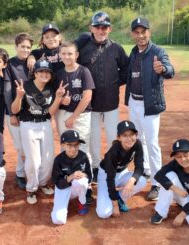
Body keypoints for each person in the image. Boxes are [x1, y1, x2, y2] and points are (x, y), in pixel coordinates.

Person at [125, 17, 175, 201]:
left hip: (150, 105)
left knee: (152, 143)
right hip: (134, 102)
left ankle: (156, 183)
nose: (140, 35)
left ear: (149, 32)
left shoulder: (157, 51)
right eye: (136, 32)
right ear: (133, 34)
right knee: (139, 140)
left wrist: (162, 69)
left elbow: (170, 70)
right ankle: (145, 170)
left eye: (143, 31)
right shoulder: (133, 52)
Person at [77, 11, 128, 185]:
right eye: (98, 27)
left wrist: (114, 83)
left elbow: (126, 70)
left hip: (112, 102)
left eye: (105, 27)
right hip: (91, 104)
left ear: (110, 29)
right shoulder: (83, 49)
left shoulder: (116, 48)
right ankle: (97, 166)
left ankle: (114, 164)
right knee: (93, 138)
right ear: (91, 28)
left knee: (114, 135)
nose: (101, 30)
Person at [11, 60, 67, 204]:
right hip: (28, 125)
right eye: (41, 71)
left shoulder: (50, 89)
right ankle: (31, 188)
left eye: (47, 72)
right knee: (34, 160)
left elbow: (50, 112)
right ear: (35, 73)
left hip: (45, 124)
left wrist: (59, 98)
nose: (44, 74)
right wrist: (19, 96)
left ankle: (42, 183)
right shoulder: (25, 87)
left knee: (48, 159)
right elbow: (14, 110)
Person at [150, 139, 189, 228]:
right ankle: (161, 212)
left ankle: (184, 206)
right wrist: (175, 189)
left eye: (186, 155)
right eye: (178, 157)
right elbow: (158, 175)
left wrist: (182, 215)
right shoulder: (175, 164)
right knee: (169, 175)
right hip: (181, 194)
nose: (183, 159)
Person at [96, 120, 147, 219]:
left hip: (122, 172)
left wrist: (131, 181)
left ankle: (119, 198)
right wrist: (114, 206)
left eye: (131, 134)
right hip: (106, 175)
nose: (129, 138)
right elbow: (110, 179)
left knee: (141, 180)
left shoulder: (137, 144)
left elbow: (140, 167)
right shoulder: (113, 153)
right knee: (104, 213)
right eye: (125, 135)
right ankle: (113, 199)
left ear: (136, 135)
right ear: (119, 137)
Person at [3, 33, 34, 190]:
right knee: (20, 146)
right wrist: (11, 114)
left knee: (30, 144)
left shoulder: (33, 62)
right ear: (16, 47)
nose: (25, 50)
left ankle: (31, 172)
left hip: (32, 112)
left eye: (29, 47)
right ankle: (20, 174)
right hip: (15, 111)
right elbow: (7, 90)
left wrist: (33, 57)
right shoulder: (10, 64)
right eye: (22, 46)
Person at [55, 41, 95, 158]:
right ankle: (66, 172)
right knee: (65, 145)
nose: (67, 56)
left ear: (76, 55)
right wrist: (62, 100)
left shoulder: (84, 71)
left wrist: (73, 117)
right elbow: (56, 96)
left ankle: (84, 173)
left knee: (82, 144)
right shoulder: (59, 74)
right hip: (63, 113)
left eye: (70, 54)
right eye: (64, 54)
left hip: (81, 115)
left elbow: (87, 96)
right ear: (60, 55)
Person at [51, 130, 92, 225]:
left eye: (76, 145)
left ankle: (82, 203)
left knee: (82, 182)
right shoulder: (58, 160)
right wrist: (71, 177)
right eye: (69, 145)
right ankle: (63, 203)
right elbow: (57, 183)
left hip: (76, 187)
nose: (73, 148)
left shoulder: (83, 156)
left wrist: (84, 175)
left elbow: (89, 176)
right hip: (63, 188)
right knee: (58, 220)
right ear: (63, 145)